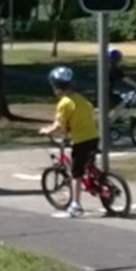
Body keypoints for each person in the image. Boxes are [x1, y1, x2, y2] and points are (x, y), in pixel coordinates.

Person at [38, 66, 99, 219]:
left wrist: (47, 131)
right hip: (93, 136)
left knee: (76, 173)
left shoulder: (64, 103)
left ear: (56, 87)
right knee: (89, 163)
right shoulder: (81, 99)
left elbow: (59, 125)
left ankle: (76, 205)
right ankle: (99, 182)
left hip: (80, 140)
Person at [107, 48, 136, 118]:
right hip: (107, 94)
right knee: (122, 103)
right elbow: (124, 78)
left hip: (104, 91)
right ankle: (109, 121)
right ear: (117, 60)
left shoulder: (105, 67)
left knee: (117, 101)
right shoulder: (114, 69)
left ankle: (110, 118)